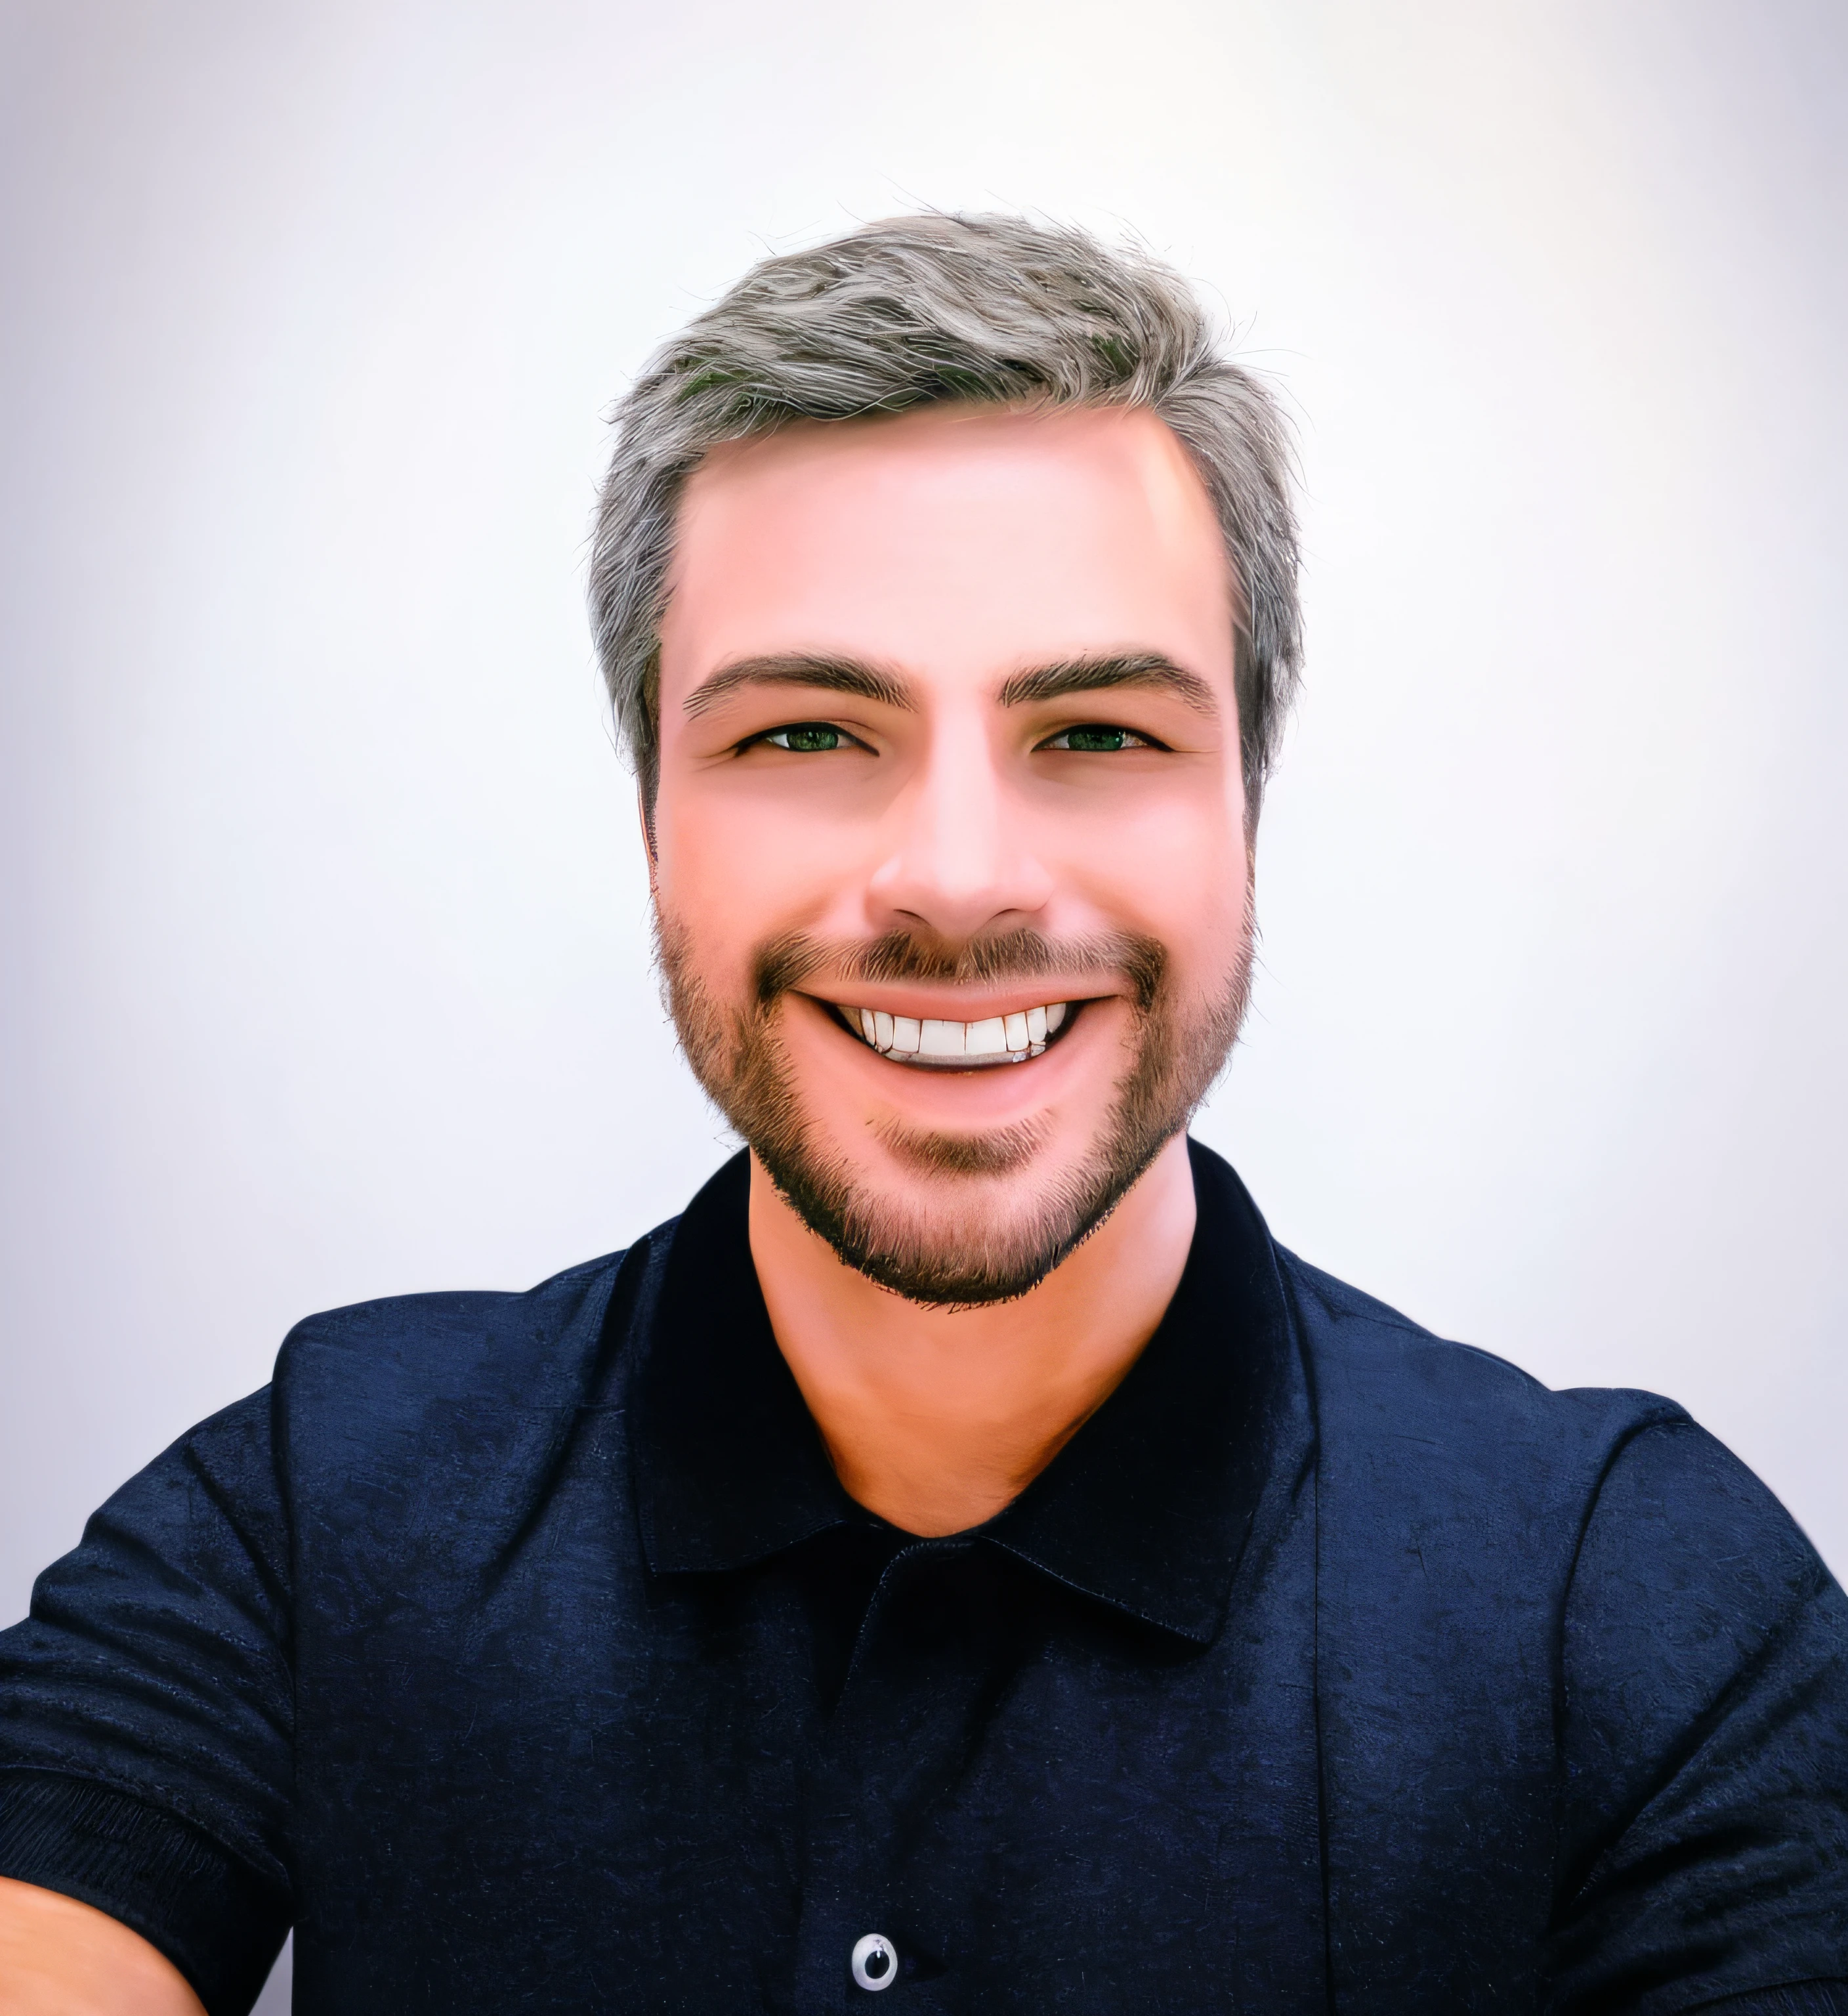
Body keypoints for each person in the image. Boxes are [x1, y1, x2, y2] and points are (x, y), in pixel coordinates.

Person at [1, 214, 1843, 2016]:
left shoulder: (1638, 1608)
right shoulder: (315, 1522)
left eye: (1101, 734)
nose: (958, 879)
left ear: (1245, 810)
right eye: (806, 734)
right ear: (655, 812)